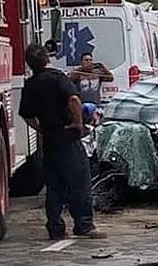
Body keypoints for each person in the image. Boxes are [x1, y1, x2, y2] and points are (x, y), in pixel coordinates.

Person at [19, 44, 105, 240]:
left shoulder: (30, 84)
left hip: (50, 139)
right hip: (67, 137)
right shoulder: (58, 78)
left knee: (54, 186)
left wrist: (40, 129)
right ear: (47, 59)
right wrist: (77, 123)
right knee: (80, 181)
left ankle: (55, 228)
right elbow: (74, 100)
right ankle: (84, 225)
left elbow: (26, 115)